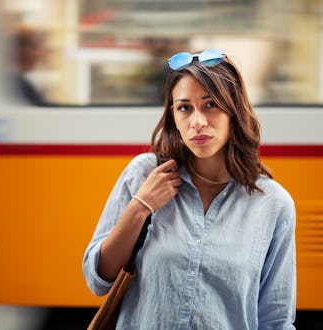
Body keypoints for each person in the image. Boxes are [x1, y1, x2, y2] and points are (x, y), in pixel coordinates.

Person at [83, 49, 296, 329]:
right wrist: (140, 206)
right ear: (173, 115)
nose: (197, 122)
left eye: (211, 105)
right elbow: (97, 279)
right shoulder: (144, 174)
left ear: (234, 111)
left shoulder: (272, 204)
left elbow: (276, 319)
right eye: (185, 108)